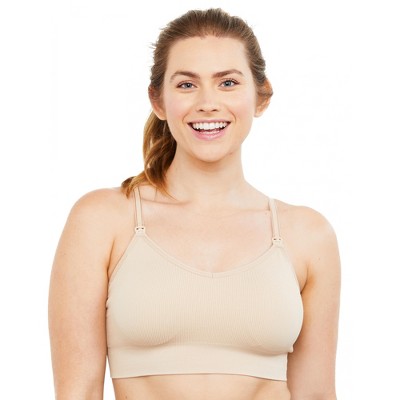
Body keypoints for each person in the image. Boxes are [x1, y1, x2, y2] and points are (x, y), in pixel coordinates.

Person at [48, 8, 341, 400]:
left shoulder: (307, 234)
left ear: (261, 96)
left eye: (228, 83)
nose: (207, 103)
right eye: (187, 85)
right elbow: (78, 391)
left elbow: (316, 394)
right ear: (158, 101)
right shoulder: (103, 220)